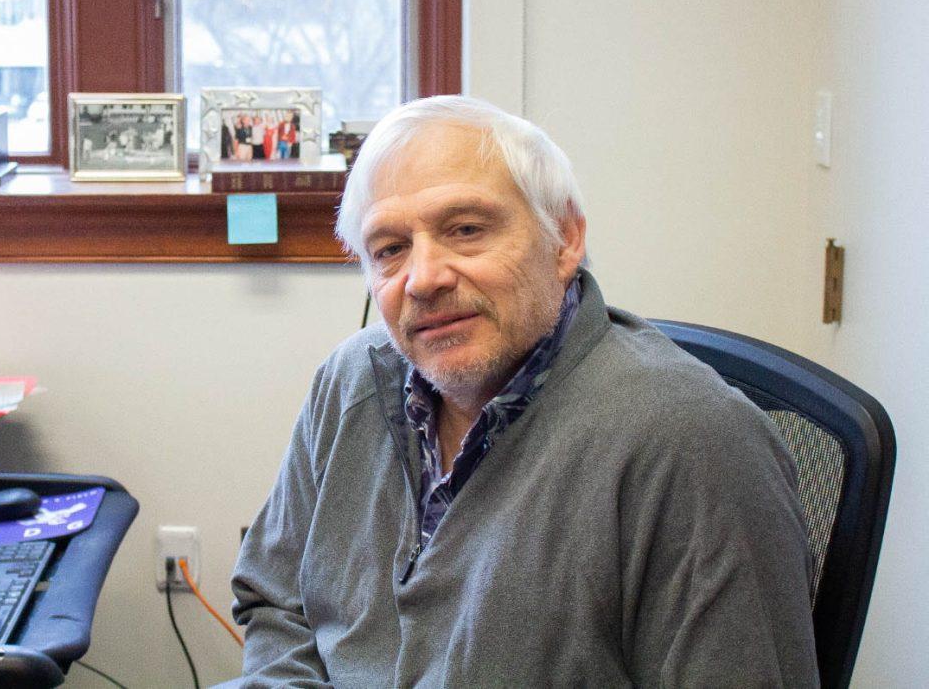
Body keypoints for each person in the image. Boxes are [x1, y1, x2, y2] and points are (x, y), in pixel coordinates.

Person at [230, 95, 818, 686]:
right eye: (390, 250)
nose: (424, 278)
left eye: (465, 230)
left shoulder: (692, 445)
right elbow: (276, 600)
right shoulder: (351, 380)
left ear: (564, 239)